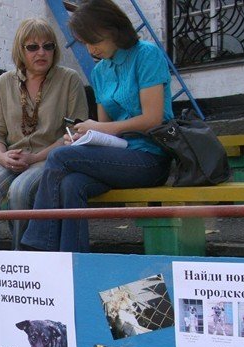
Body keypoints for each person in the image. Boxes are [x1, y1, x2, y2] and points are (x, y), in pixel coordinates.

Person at [21, 0, 173, 253]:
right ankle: (74, 260)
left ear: (115, 30)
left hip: (150, 157)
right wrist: (84, 137)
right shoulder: (101, 71)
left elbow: (153, 120)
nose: (91, 49)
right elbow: (105, 128)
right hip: (116, 156)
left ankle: (38, 247)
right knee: (71, 184)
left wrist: (98, 130)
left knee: (59, 156)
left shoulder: (146, 55)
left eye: (95, 41)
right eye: (85, 42)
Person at [0, 17, 88, 251]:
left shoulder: (69, 79)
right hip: (11, 157)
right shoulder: (4, 82)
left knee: (20, 190)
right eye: (33, 47)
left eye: (48, 46)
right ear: (20, 50)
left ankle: (24, 265)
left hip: (50, 159)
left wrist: (34, 158)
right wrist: (2, 157)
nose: (41, 52)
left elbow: (75, 134)